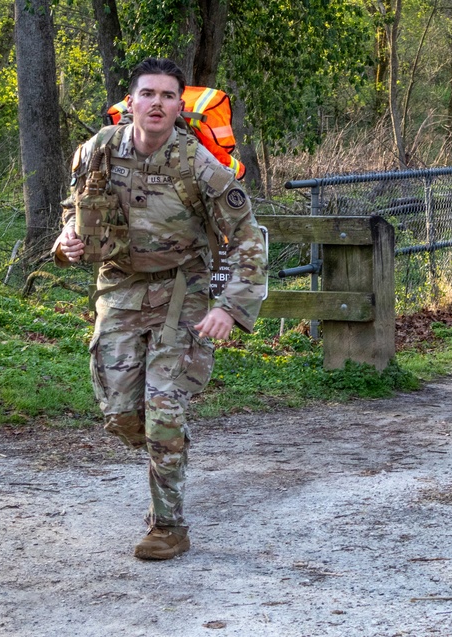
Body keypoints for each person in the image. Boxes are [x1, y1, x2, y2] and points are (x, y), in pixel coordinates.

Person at [52, 58, 267, 560]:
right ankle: (162, 441)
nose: (157, 103)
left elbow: (248, 237)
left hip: (180, 293)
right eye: (147, 94)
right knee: (121, 414)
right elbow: (73, 210)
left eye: (168, 96)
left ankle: (168, 526)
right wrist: (67, 240)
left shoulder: (199, 166)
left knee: (163, 412)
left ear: (178, 107)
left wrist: (230, 307)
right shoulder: (99, 150)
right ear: (131, 103)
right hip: (120, 289)